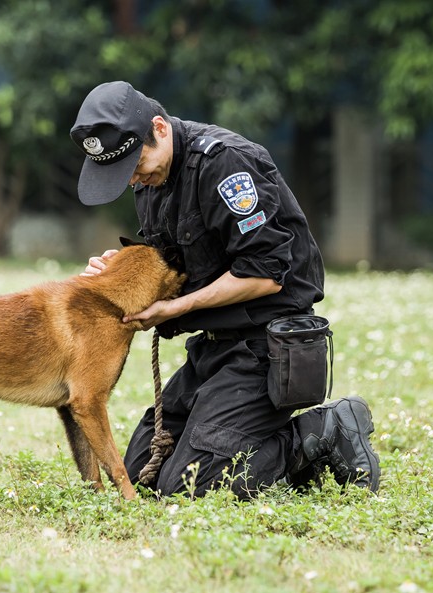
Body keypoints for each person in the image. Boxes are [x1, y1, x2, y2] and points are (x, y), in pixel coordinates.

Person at [70, 81, 380, 498]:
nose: (131, 180)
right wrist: (119, 267)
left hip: (268, 345)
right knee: (143, 471)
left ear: (159, 128)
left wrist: (176, 307)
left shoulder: (226, 164)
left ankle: (324, 430)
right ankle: (272, 452)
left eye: (133, 164)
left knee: (193, 484)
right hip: (214, 346)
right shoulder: (151, 178)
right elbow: (171, 256)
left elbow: (266, 272)